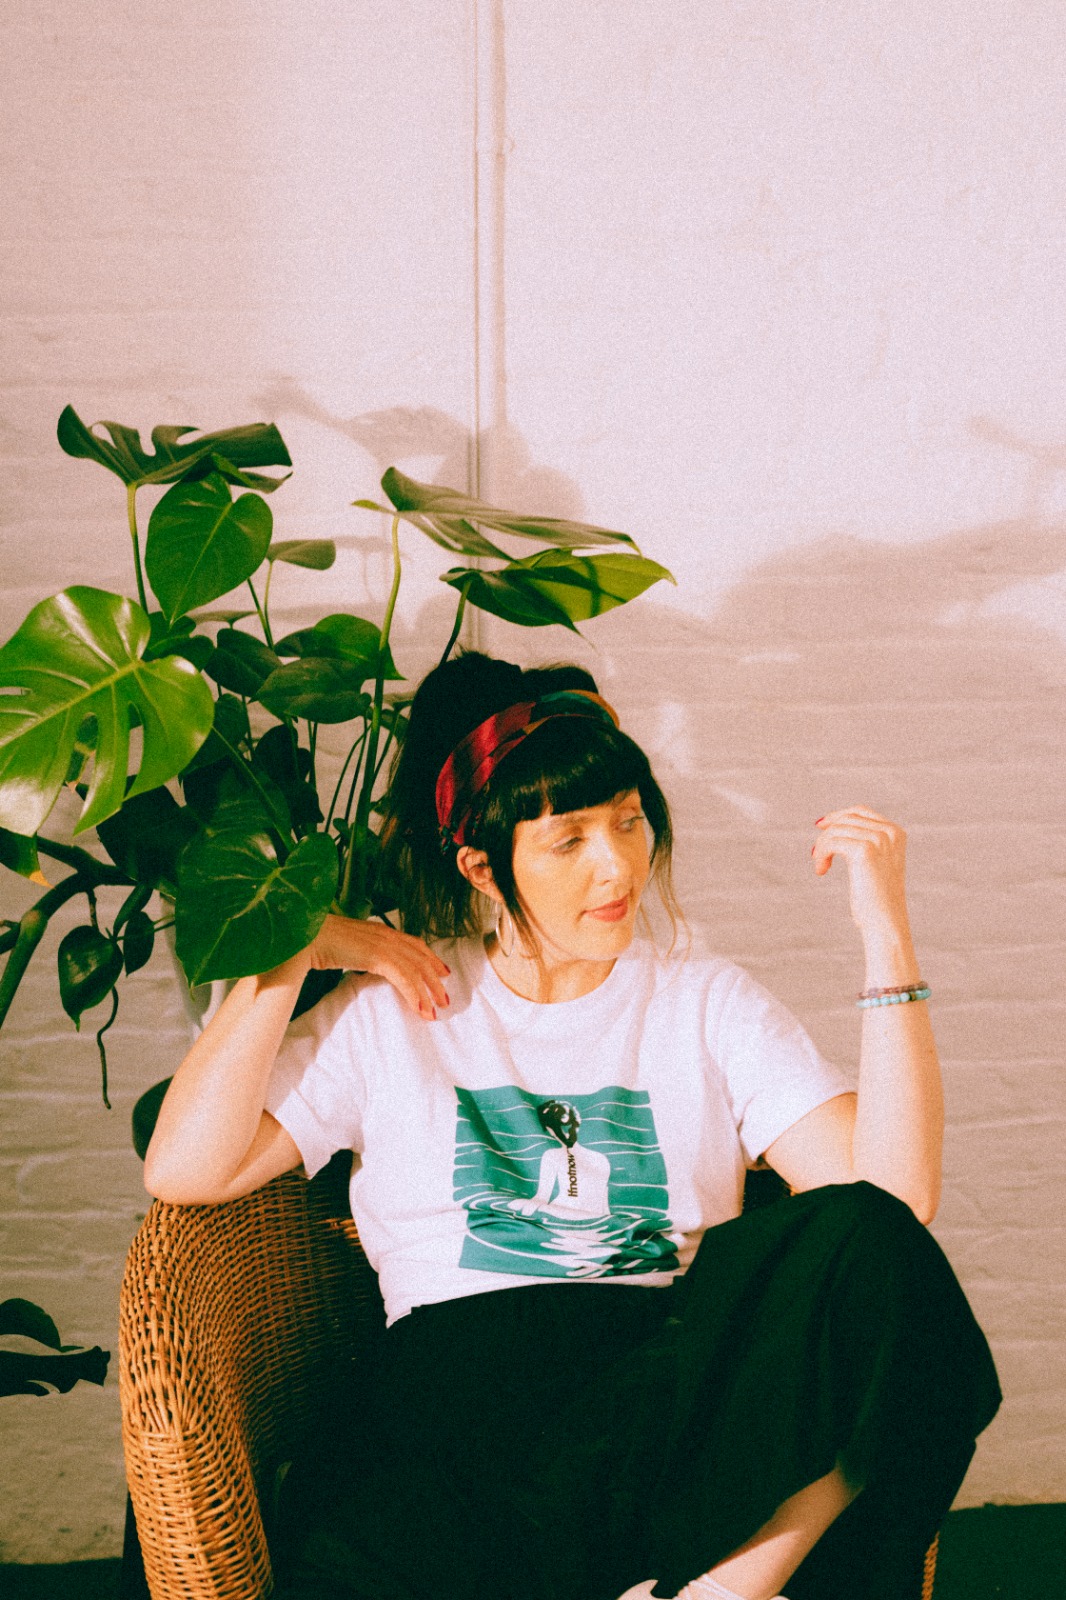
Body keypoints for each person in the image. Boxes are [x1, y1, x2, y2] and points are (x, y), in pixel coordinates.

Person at [144, 651, 1001, 1600]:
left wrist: (886, 934)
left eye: (629, 822)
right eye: (570, 841)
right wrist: (296, 951)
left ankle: (720, 1591)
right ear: (482, 866)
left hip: (659, 1403)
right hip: (454, 1426)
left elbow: (892, 1202)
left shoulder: (704, 1001)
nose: (617, 866)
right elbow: (185, 1168)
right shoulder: (393, 1007)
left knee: (878, 1254)